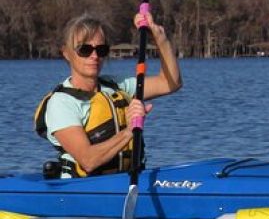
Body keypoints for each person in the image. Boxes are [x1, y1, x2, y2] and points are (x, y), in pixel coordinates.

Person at [35, 11, 182, 178]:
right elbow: (88, 161)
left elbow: (170, 83)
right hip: (82, 189)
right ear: (66, 53)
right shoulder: (61, 103)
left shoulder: (116, 87)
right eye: (85, 50)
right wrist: (129, 131)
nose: (94, 56)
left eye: (101, 49)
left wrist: (159, 36)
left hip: (124, 182)